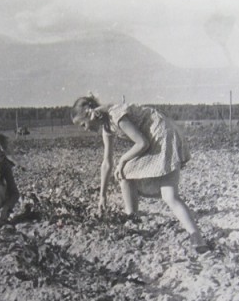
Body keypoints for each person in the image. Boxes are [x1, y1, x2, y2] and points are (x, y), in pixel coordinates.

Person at [71, 95, 210, 254]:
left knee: (131, 175)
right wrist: (102, 196)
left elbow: (142, 143)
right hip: (162, 135)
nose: (85, 129)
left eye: (83, 124)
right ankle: (196, 237)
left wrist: (123, 160)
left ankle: (133, 219)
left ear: (89, 113)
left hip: (161, 136)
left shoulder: (116, 115)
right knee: (167, 195)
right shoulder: (107, 128)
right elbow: (107, 163)